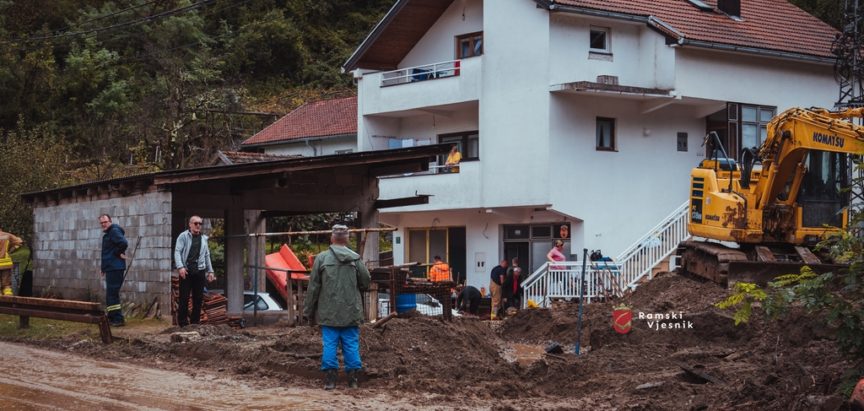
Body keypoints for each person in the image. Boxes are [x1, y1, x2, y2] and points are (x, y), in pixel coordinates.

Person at [303, 224, 371, 390]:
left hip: (328, 313)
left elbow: (313, 288)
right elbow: (366, 282)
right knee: (351, 345)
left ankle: (330, 380)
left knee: (330, 345)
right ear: (347, 239)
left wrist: (308, 311)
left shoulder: (321, 258)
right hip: (351, 312)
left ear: (332, 238)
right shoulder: (355, 258)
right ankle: (353, 379)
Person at [173, 215, 215, 327]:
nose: (198, 226)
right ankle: (182, 324)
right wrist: (180, 267)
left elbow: (207, 255)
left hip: (200, 271)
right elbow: (177, 252)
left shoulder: (204, 239)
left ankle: (195, 323)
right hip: (186, 271)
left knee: (198, 298)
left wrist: (210, 271)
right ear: (190, 224)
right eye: (196, 223)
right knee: (184, 297)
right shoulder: (183, 236)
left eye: (200, 224)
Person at [99, 215, 128, 326]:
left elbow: (124, 243)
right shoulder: (108, 233)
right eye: (101, 223)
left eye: (105, 222)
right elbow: (106, 253)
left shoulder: (114, 231)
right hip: (111, 267)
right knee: (111, 294)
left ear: (110, 221)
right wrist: (103, 268)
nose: (103, 224)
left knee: (112, 294)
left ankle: (117, 319)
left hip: (116, 268)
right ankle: (112, 317)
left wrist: (117, 253)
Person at [0, 228, 23, 296]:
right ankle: (8, 296)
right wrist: (11, 250)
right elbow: (20, 242)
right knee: (6, 284)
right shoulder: (7, 235)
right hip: (6, 262)